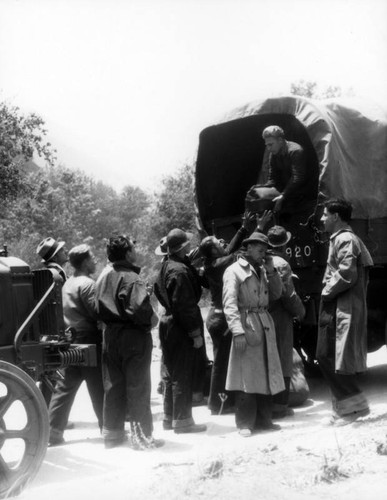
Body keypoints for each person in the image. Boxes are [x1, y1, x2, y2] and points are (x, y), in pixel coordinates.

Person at [95, 235, 163, 449]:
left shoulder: (104, 276)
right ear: (127, 254)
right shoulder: (132, 279)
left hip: (111, 336)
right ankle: (142, 438)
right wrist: (153, 319)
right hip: (133, 336)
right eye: (133, 247)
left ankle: (112, 435)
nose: (136, 249)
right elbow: (141, 311)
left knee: (113, 385)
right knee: (138, 387)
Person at [222, 231, 285, 437]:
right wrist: (237, 331)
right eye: (259, 249)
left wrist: (272, 272)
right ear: (248, 248)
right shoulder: (234, 271)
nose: (262, 253)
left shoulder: (264, 270)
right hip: (246, 323)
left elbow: (277, 294)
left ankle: (264, 420)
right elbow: (229, 303)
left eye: (265, 250)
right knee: (246, 375)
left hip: (264, 322)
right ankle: (245, 423)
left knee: (266, 372)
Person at [317, 198, 373, 425]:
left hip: (341, 305)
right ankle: (341, 409)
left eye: (324, 214)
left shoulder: (346, 239)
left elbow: (347, 274)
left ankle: (356, 408)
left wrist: (326, 292)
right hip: (336, 303)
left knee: (330, 355)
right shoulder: (339, 239)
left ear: (336, 216)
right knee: (328, 355)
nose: (322, 219)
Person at [48, 244, 104, 446]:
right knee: (98, 385)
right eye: (92, 258)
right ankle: (109, 429)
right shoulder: (88, 284)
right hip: (89, 339)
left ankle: (52, 431)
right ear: (84, 261)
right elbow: (97, 311)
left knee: (64, 387)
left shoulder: (68, 284)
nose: (95, 261)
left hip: (71, 340)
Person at [199, 211, 253, 415]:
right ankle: (217, 404)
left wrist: (244, 228)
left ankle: (223, 402)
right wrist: (253, 230)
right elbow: (234, 252)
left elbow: (229, 250)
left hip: (216, 317)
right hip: (221, 319)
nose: (223, 242)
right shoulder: (218, 265)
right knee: (221, 363)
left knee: (223, 360)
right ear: (213, 251)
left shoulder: (214, 264)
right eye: (218, 242)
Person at [154, 228, 207, 434]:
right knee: (182, 374)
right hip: (181, 326)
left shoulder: (166, 265)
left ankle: (169, 418)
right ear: (184, 246)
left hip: (167, 324)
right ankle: (183, 421)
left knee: (170, 372)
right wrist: (195, 333)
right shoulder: (180, 271)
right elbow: (185, 305)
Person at [266, 226, 305, 418]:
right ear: (285, 244)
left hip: (263, 314)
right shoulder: (281, 263)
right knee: (283, 358)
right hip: (280, 315)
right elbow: (288, 295)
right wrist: (301, 311)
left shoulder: (262, 260)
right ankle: (280, 406)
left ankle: (268, 403)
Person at [36, 237, 69, 406]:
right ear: (55, 257)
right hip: (58, 329)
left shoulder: (43, 273)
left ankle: (46, 410)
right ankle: (50, 413)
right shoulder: (58, 274)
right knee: (56, 374)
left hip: (44, 330)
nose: (66, 252)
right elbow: (63, 302)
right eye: (62, 251)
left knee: (50, 375)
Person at [262, 125, 312, 214]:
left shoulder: (295, 151)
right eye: (267, 145)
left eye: (270, 144)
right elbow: (273, 177)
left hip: (303, 196)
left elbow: (298, 177)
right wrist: (262, 190)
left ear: (280, 140)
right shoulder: (273, 153)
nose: (269, 148)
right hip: (287, 194)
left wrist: (283, 195)